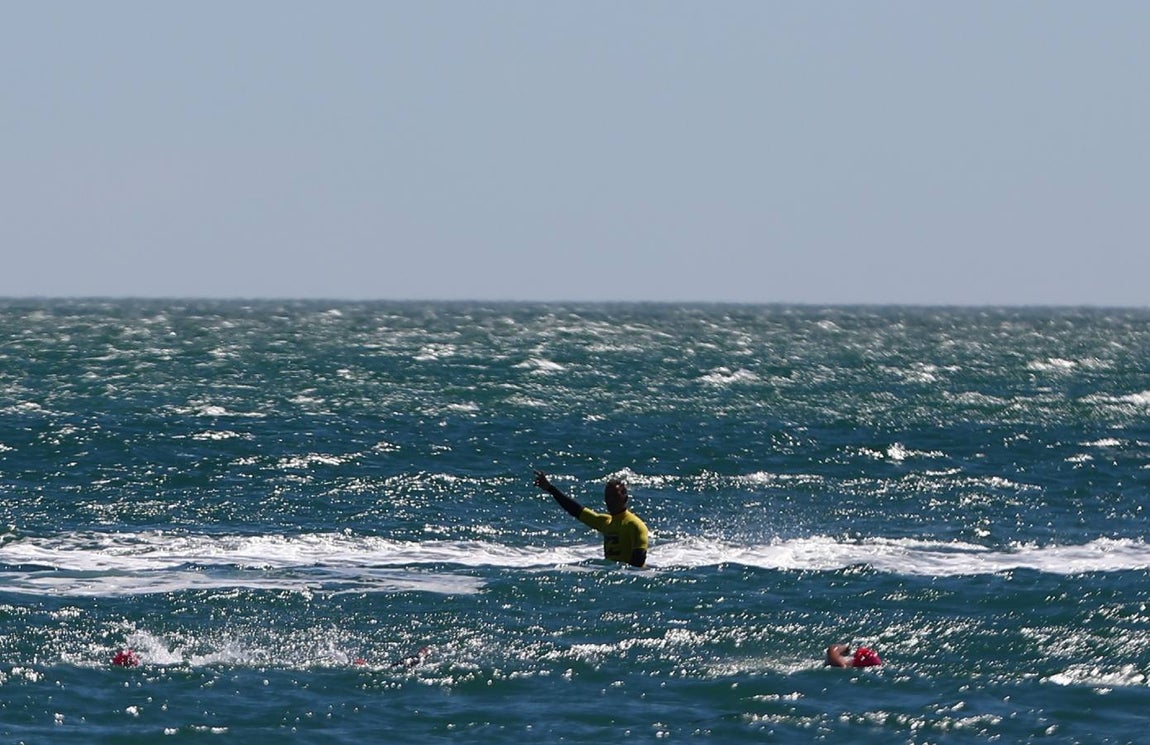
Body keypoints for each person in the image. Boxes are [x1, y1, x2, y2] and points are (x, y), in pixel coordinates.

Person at [533, 471, 648, 568]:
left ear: (625, 498)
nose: (610, 500)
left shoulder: (635, 525)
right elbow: (575, 510)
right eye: (607, 496)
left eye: (614, 496)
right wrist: (550, 488)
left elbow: (639, 562)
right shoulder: (605, 522)